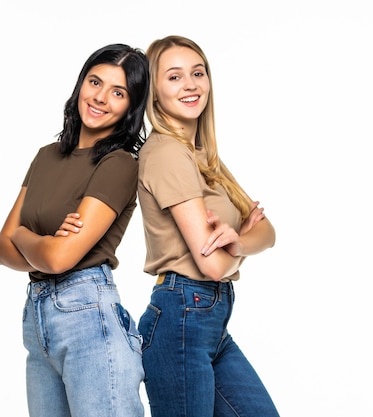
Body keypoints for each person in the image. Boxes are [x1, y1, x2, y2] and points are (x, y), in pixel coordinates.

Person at [0, 43, 149, 417]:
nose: (100, 98)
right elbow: (1, 249)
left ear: (131, 106)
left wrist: (24, 235)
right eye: (95, 82)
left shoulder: (119, 164)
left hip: (88, 316)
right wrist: (40, 243)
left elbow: (60, 257)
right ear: (81, 83)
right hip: (37, 317)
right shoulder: (47, 155)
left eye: (118, 92)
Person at [136, 35, 280, 416]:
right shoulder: (167, 153)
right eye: (174, 77)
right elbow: (212, 265)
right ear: (154, 92)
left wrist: (237, 242)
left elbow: (268, 231)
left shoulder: (202, 157)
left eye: (198, 73)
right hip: (182, 317)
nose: (191, 85)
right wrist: (239, 247)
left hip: (210, 323)